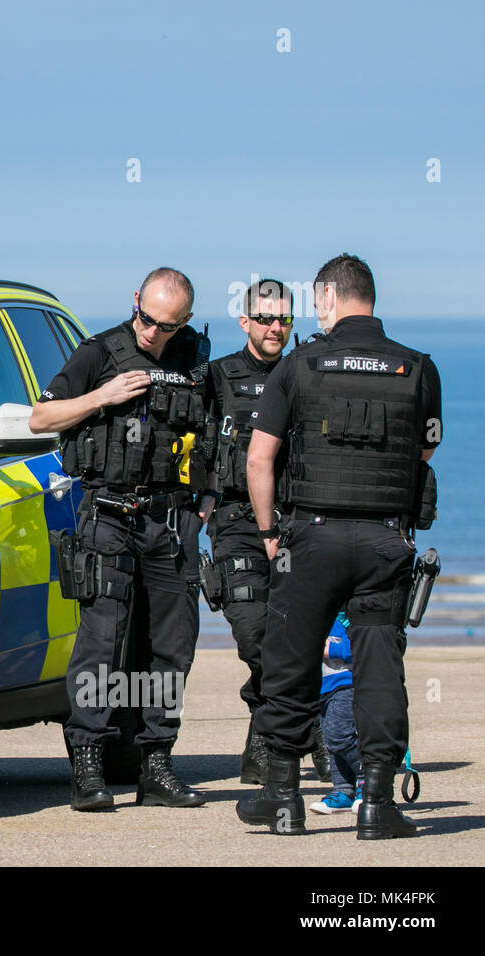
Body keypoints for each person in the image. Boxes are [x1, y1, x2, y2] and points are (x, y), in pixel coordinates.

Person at [235, 253, 441, 838]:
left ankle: (282, 799)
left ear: (326, 298)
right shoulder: (418, 369)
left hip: (310, 539)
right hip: (384, 542)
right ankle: (377, 805)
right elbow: (420, 456)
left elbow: (259, 458)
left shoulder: (299, 365)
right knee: (379, 667)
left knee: (290, 664)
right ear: (370, 299)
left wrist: (271, 534)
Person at [31, 267, 218, 811]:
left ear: (183, 320)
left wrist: (207, 498)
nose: (153, 332)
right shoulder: (98, 353)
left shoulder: (195, 359)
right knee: (102, 644)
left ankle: (156, 763)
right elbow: (43, 416)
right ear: (135, 300)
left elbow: (210, 432)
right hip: (109, 516)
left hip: (172, 522)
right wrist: (103, 396)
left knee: (172, 647)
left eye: (166, 325)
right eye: (146, 318)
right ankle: (87, 766)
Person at [206, 278, 329, 785]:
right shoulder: (216, 378)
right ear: (245, 322)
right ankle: (309, 734)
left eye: (283, 319)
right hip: (236, 524)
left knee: (297, 638)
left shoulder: (307, 371)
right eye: (265, 319)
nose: (274, 328)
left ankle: (270, 742)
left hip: (296, 524)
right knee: (256, 635)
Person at [311, 612, 362, 814]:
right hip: (322, 685)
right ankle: (344, 790)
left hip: (347, 683)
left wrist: (331, 649)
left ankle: (372, 780)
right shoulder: (316, 606)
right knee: (331, 742)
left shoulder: (350, 612)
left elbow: (366, 646)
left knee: (339, 736)